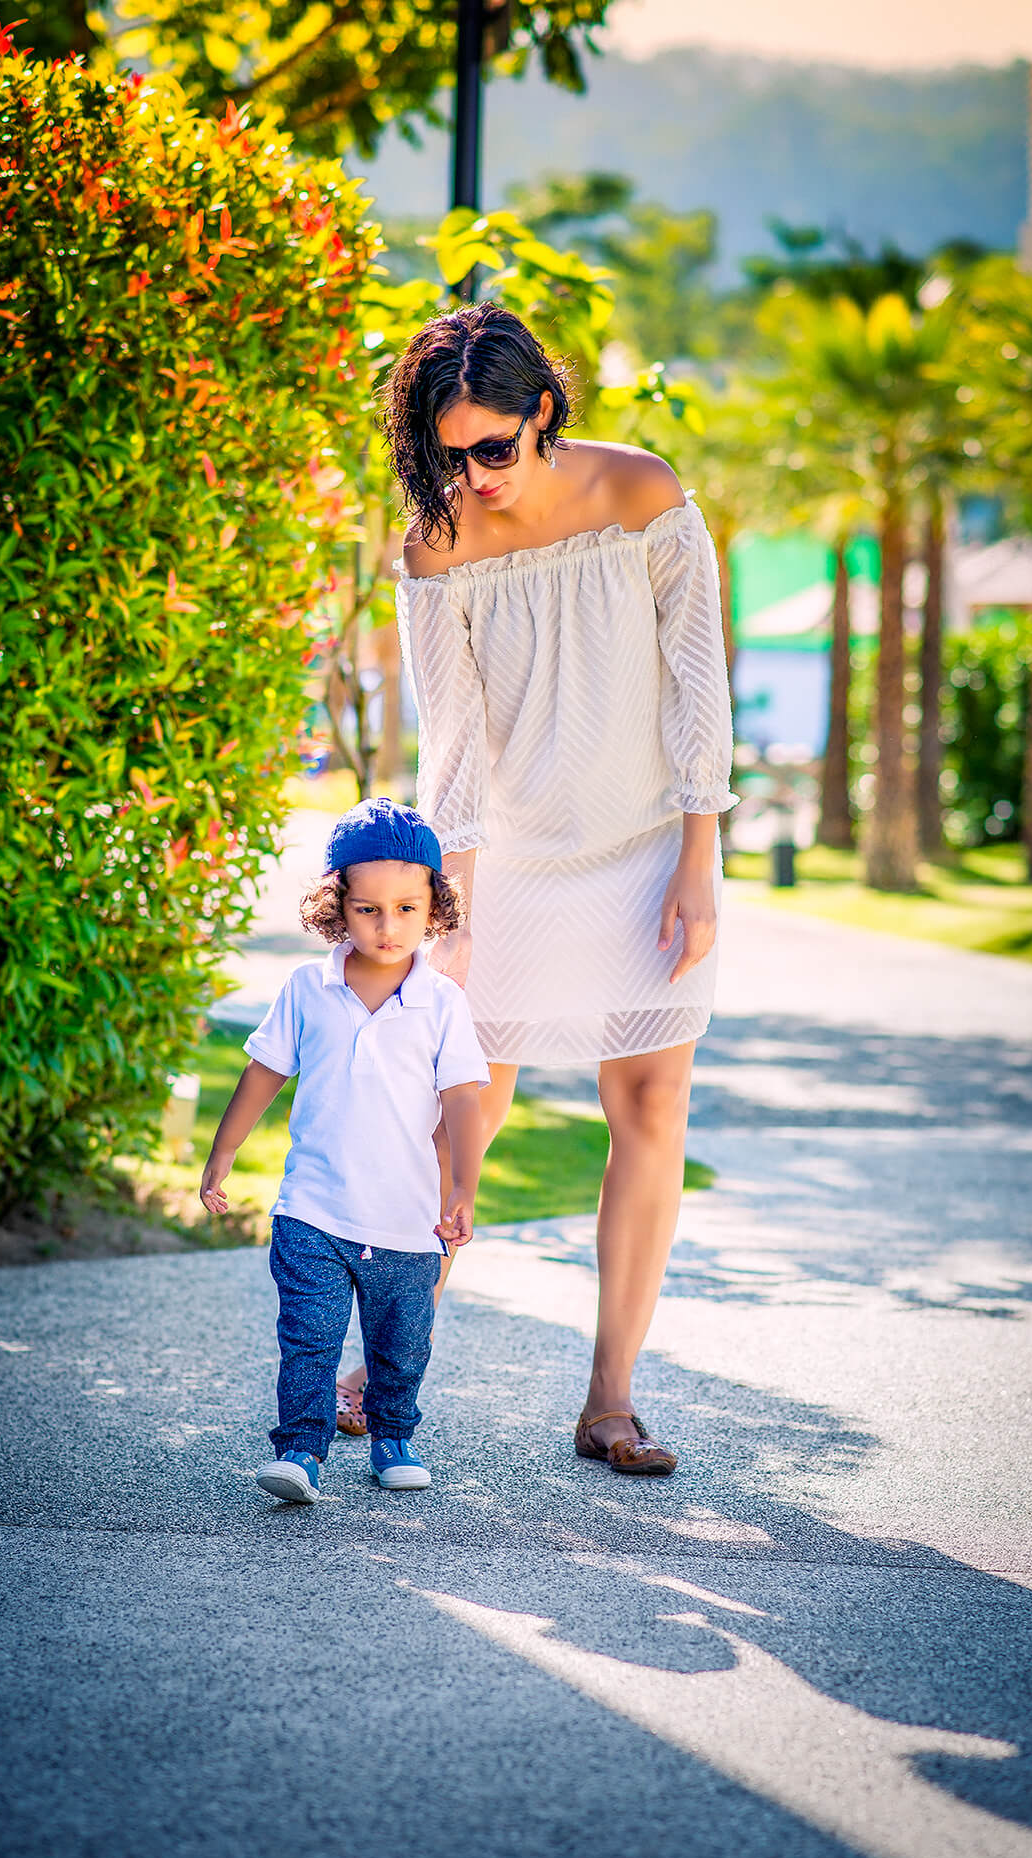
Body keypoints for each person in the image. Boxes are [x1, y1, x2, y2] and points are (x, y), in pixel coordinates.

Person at [341, 300, 736, 1477]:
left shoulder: (645, 496)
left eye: (493, 449)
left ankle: (609, 1399)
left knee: (651, 1107)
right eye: (447, 452)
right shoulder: (436, 544)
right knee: (464, 1112)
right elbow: (452, 749)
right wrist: (445, 918)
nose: (473, 474)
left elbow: (694, 686)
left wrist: (697, 857)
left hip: (646, 852)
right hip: (507, 859)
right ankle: (383, 1365)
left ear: (544, 411)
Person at [199, 798, 489, 1503]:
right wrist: (222, 1155)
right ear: (337, 906)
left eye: (406, 909)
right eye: (367, 910)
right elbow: (263, 1073)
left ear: (434, 908)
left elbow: (464, 1102)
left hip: (406, 1222)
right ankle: (300, 1451)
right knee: (309, 1340)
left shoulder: (443, 1004)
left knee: (401, 1348)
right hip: (313, 1212)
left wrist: (462, 1190)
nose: (388, 927)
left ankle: (393, 1438)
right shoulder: (308, 988)